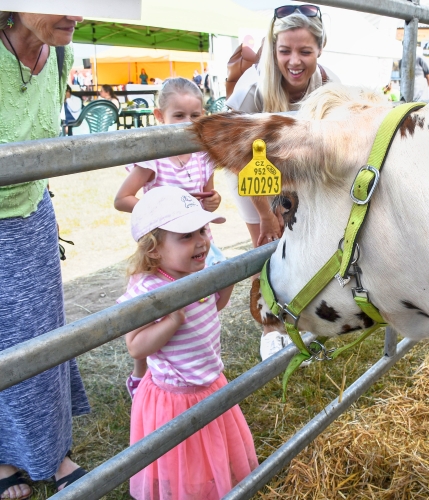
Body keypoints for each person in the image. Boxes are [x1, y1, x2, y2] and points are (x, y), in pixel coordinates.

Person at [0, 10, 90, 500]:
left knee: (44, 331)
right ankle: (4, 457)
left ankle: (54, 450)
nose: (75, 11)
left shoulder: (58, 50)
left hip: (33, 212)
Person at [119, 186, 258, 500]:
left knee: (212, 452)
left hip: (209, 383)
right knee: (182, 459)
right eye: (186, 236)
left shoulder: (199, 273)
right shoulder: (149, 289)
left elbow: (212, 308)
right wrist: (171, 320)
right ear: (153, 249)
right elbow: (136, 346)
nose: (201, 242)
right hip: (174, 398)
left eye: (202, 230)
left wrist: (225, 283)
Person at [225, 3, 338, 361]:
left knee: (305, 245)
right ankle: (270, 327)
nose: (295, 61)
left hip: (299, 172)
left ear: (319, 49)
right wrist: (266, 213)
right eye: (285, 50)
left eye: (305, 51)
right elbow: (236, 156)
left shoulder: (331, 85)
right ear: (273, 49)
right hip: (251, 173)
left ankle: (301, 319)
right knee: (270, 245)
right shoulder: (252, 89)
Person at [114, 76, 224, 399]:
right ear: (159, 117)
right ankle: (142, 377)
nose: (188, 123)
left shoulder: (203, 153)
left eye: (196, 115)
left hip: (196, 242)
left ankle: (195, 363)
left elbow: (209, 194)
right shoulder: (155, 156)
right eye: (179, 115)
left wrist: (211, 202)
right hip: (164, 247)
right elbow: (123, 199)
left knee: (199, 305)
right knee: (153, 311)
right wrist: (163, 211)